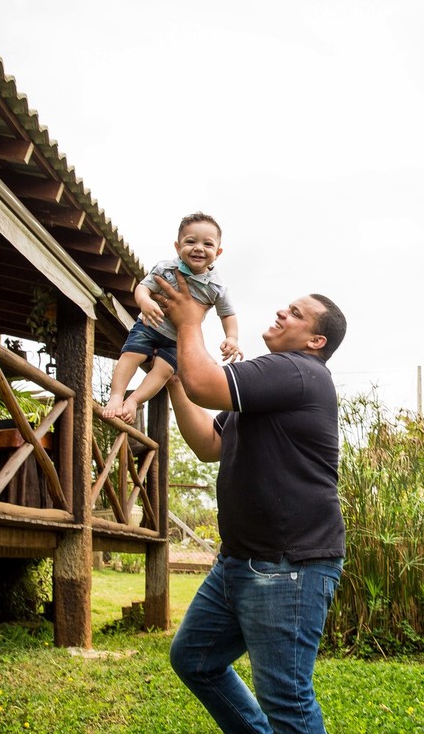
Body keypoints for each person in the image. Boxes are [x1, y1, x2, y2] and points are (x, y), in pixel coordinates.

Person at [155, 263, 348, 734]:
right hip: (240, 561)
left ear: (315, 341)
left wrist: (188, 321)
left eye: (296, 313)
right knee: (195, 659)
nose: (282, 311)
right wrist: (177, 379)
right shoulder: (266, 388)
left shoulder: (299, 372)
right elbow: (208, 445)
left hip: (289, 564)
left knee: (287, 698)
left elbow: (209, 383)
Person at [101, 212, 240, 424]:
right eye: (190, 241)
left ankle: (134, 400)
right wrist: (145, 302)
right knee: (131, 354)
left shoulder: (217, 287)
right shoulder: (166, 269)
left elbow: (228, 314)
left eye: (208, 244)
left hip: (179, 338)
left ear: (218, 252)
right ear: (177, 246)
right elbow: (143, 288)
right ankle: (117, 395)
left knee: (164, 371)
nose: (199, 248)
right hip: (149, 325)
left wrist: (232, 338)